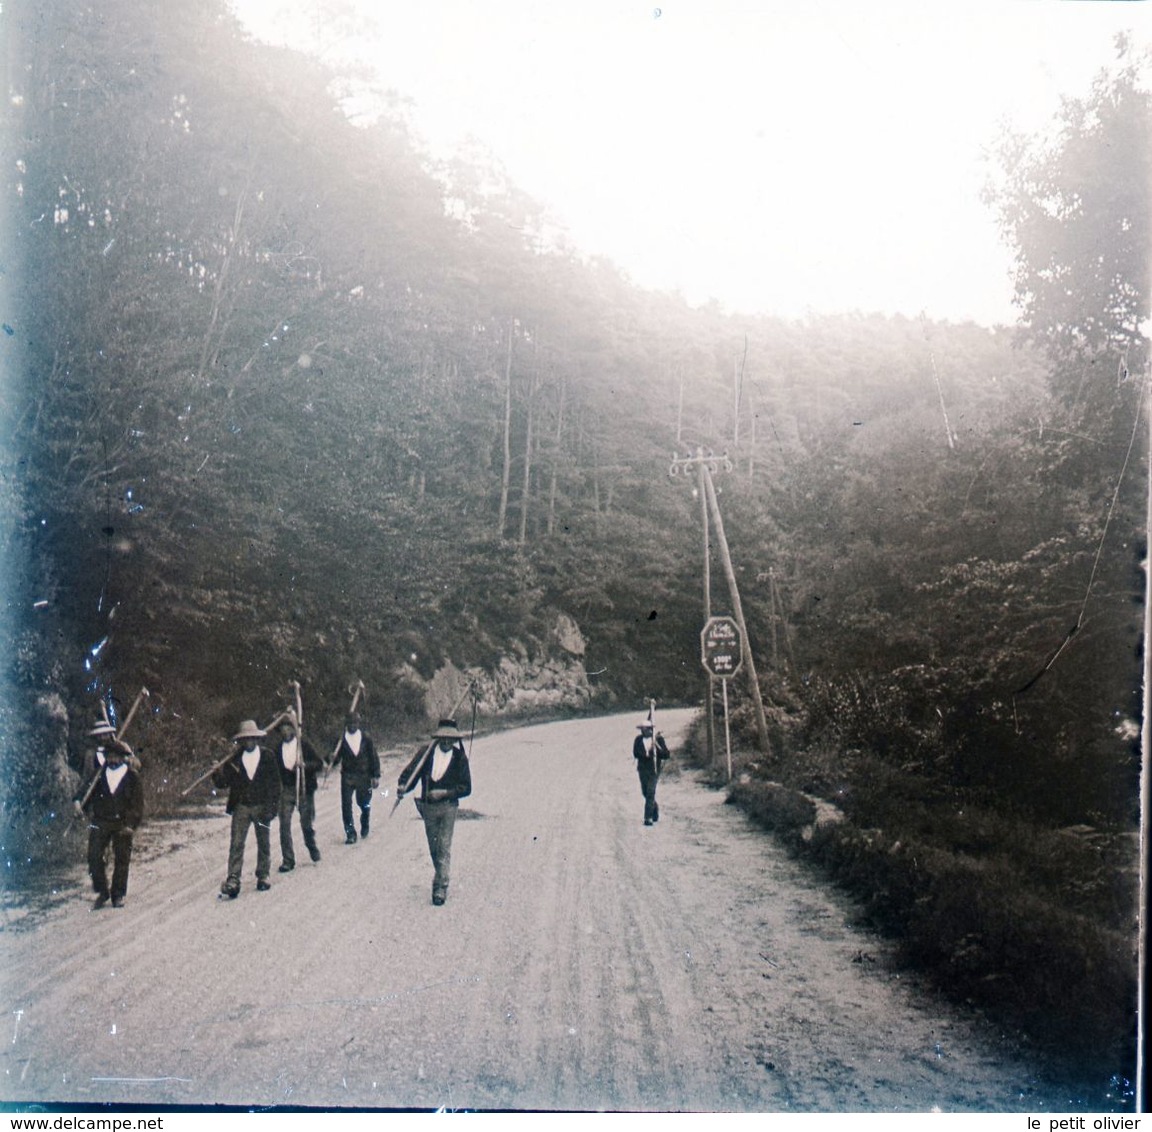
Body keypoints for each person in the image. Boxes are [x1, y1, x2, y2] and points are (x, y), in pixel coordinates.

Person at [397, 718, 472, 906]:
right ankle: (440, 876)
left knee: (444, 846)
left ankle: (440, 887)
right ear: (438, 738)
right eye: (443, 738)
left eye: (450, 739)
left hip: (448, 806)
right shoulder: (426, 754)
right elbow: (411, 773)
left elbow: (466, 787)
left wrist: (445, 792)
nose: (447, 742)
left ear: (455, 740)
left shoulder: (459, 758)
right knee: (434, 847)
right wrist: (402, 786)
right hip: (428, 807)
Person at [212, 719, 281, 898]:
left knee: (263, 841)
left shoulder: (268, 756)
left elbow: (275, 785)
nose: (249, 742)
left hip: (262, 806)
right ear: (241, 741)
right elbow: (223, 783)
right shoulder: (233, 760)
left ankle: (263, 875)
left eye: (252, 738)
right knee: (236, 843)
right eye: (245, 739)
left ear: (257, 739)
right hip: (241, 806)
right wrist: (216, 772)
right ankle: (233, 878)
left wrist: (272, 808)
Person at [77, 738, 143, 909]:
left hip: (122, 823)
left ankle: (118, 894)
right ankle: (102, 891)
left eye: (116, 756)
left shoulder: (132, 777)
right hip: (101, 821)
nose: (113, 760)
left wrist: (130, 825)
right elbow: (85, 792)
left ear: (123, 758)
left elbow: (137, 805)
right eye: (110, 756)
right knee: (93, 856)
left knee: (122, 859)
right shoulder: (99, 775)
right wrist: (78, 803)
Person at [273, 716, 323, 871]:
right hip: (287, 790)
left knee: (306, 824)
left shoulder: (303, 745)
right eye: (283, 729)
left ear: (294, 729)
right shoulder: (277, 749)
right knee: (284, 824)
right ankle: (288, 859)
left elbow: (319, 763)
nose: (286, 731)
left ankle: (312, 847)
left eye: (288, 728)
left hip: (303, 789)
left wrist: (304, 766)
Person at [331, 710, 379, 844]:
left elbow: (373, 757)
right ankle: (350, 833)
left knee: (364, 803)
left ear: (359, 723)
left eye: (355, 723)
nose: (353, 726)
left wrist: (376, 775)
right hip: (347, 775)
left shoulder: (366, 738)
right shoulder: (341, 740)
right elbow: (335, 759)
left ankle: (365, 820)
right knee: (346, 805)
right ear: (346, 724)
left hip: (363, 775)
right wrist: (331, 759)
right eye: (350, 723)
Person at [633, 718, 671, 826]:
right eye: (642, 729)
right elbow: (636, 753)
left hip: (654, 769)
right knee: (645, 792)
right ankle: (654, 808)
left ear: (650, 729)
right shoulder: (638, 740)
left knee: (650, 791)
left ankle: (648, 817)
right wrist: (646, 754)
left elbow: (666, 755)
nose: (643, 731)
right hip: (642, 769)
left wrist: (657, 748)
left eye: (645, 729)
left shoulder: (658, 739)